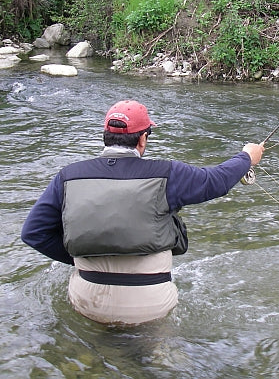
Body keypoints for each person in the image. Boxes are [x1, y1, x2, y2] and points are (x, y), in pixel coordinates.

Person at [21, 99, 264, 325]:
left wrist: (80, 258)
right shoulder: (168, 174)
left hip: (86, 301)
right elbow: (216, 181)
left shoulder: (67, 176)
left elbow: (33, 233)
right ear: (143, 140)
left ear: (105, 137)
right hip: (150, 305)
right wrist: (246, 157)